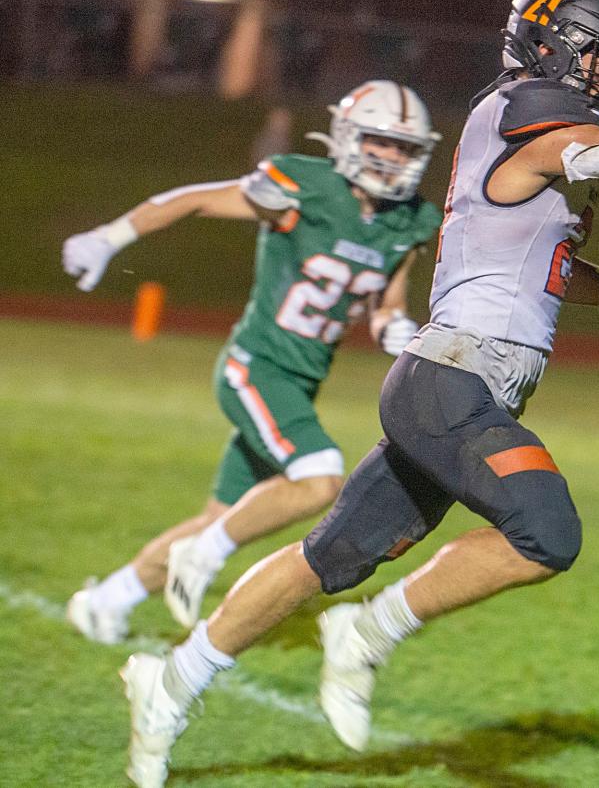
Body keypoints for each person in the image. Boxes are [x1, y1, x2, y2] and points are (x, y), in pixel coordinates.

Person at [118, 0, 599, 788]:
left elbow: (546, 265)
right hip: (450, 383)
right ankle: (368, 633)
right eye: (598, 59)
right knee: (547, 532)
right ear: (550, 46)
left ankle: (168, 683)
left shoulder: (526, 140)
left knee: (328, 555)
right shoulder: (522, 108)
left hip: (460, 384)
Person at [61, 80, 442, 645]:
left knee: (220, 516)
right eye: (380, 142)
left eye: (404, 147)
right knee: (318, 479)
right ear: (347, 137)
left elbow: (385, 300)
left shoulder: (408, 220)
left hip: (300, 381)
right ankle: (204, 553)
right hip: (255, 368)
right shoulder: (303, 186)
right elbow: (194, 199)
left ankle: (103, 603)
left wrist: (392, 327)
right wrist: (110, 237)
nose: (391, 158)